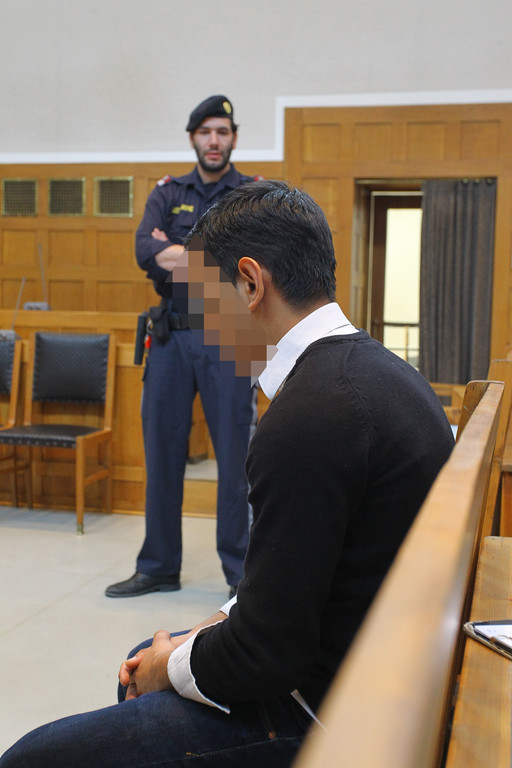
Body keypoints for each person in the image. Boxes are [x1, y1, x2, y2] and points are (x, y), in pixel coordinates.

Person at [1, 181, 454, 768]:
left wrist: (170, 664)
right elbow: (295, 575)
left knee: (31, 758)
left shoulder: (310, 416)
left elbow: (267, 654)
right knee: (147, 657)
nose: (204, 330)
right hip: (376, 661)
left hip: (335, 714)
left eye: (204, 305)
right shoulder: (378, 371)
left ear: (249, 283)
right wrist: (198, 636)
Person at [105, 95, 261, 599]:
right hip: (171, 336)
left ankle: (240, 576)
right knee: (162, 454)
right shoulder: (167, 191)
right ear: (193, 137)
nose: (214, 141)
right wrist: (215, 256)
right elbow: (143, 250)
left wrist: (176, 252)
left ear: (234, 138)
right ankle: (158, 566)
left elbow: (252, 259)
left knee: (236, 461)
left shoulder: (252, 194)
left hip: (230, 332)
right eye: (205, 132)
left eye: (222, 132)